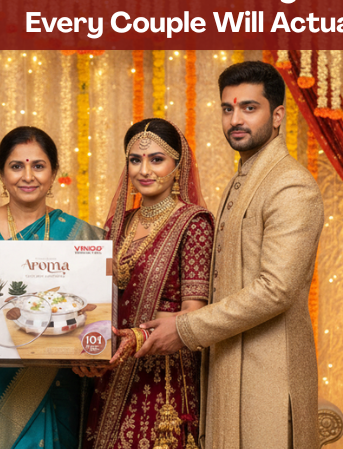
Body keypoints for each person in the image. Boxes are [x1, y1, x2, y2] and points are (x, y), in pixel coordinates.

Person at [137, 61, 325, 449]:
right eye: (227, 109)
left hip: (269, 382)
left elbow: (276, 290)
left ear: (277, 116)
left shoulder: (291, 186)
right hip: (229, 370)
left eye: (248, 108)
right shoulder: (243, 180)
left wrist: (186, 328)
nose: (235, 119)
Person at [0, 126, 105, 449]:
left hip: (60, 377)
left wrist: (95, 351)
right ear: (1, 174)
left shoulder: (81, 236)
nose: (27, 176)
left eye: (38, 165)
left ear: (53, 173)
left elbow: (95, 306)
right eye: (16, 166)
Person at [79, 118, 214, 449]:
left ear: (177, 165)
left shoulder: (194, 224)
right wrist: (83, 348)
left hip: (163, 376)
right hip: (110, 372)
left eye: (157, 159)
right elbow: (100, 299)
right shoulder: (117, 224)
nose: (144, 170)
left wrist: (137, 337)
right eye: (135, 159)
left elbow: (192, 315)